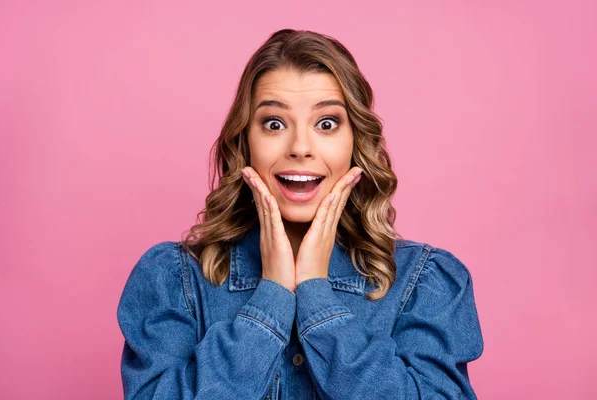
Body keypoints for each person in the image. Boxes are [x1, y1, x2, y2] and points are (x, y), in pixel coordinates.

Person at [116, 29, 484, 399]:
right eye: (274, 124)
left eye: (326, 124)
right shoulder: (174, 280)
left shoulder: (424, 283)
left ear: (356, 141)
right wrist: (272, 296)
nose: (301, 148)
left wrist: (317, 296)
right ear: (244, 141)